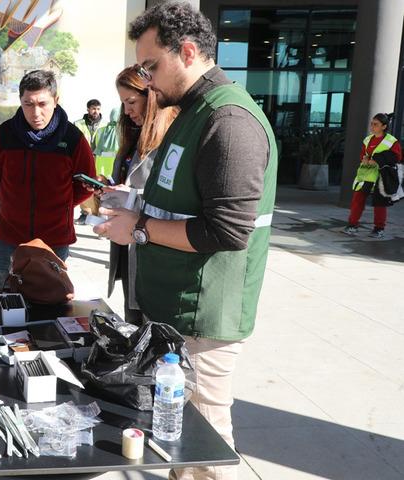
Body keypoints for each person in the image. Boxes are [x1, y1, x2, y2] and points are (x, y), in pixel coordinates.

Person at [94, 3, 278, 479]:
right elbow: (182, 196)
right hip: (177, 310)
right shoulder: (194, 111)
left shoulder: (230, 120)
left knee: (205, 446)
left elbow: (228, 230)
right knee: (181, 444)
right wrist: (132, 199)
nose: (147, 80)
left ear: (189, 52)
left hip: (203, 316)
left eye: (152, 66)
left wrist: (138, 228)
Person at [0, 69, 95, 289]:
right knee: (3, 297)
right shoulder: (5, 134)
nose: (36, 113)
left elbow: (86, 183)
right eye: (28, 104)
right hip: (10, 236)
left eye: (42, 104)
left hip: (54, 238)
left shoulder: (73, 138)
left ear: (56, 100)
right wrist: (12, 201)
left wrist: (60, 205)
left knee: (51, 300)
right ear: (20, 101)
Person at [100, 65, 177, 324]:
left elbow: (172, 198)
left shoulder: (172, 139)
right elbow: (129, 182)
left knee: (149, 329)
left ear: (152, 97)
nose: (126, 110)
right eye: (122, 103)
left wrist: (132, 194)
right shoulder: (133, 135)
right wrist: (109, 189)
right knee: (132, 321)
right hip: (129, 248)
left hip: (153, 252)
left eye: (131, 101)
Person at [344, 112, 401, 238]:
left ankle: (379, 229)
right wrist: (364, 158)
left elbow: (396, 157)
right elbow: (362, 154)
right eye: (372, 124)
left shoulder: (392, 141)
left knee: (380, 203)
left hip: (381, 176)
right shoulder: (367, 139)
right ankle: (352, 225)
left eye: (375, 124)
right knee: (357, 200)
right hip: (365, 174)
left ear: (384, 126)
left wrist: (377, 159)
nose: (372, 126)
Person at [74, 98, 103, 224]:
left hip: (101, 159)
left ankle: (98, 214)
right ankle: (85, 213)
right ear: (88, 109)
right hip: (84, 158)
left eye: (97, 109)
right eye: (93, 109)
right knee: (84, 185)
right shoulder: (78, 124)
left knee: (98, 188)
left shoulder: (106, 124)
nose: (95, 111)